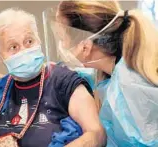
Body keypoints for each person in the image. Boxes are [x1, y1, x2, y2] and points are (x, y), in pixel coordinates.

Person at [0, 8, 106, 147]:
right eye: (13, 47)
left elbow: (96, 134)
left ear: (39, 40)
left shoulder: (63, 81)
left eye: (29, 41)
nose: (24, 51)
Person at [43, 0, 158, 147]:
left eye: (62, 39)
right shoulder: (111, 71)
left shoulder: (130, 86)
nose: (62, 46)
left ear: (85, 47)